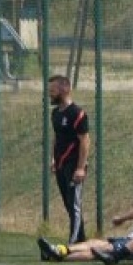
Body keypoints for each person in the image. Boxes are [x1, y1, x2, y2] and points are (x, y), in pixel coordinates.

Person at [47, 74, 90, 244]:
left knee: (74, 205)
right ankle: (81, 241)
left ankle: (73, 243)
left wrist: (80, 168)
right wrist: (53, 159)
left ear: (65, 89)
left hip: (73, 164)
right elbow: (56, 138)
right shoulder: (55, 113)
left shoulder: (77, 113)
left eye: (53, 90)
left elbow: (85, 140)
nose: (50, 93)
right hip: (60, 164)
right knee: (68, 204)